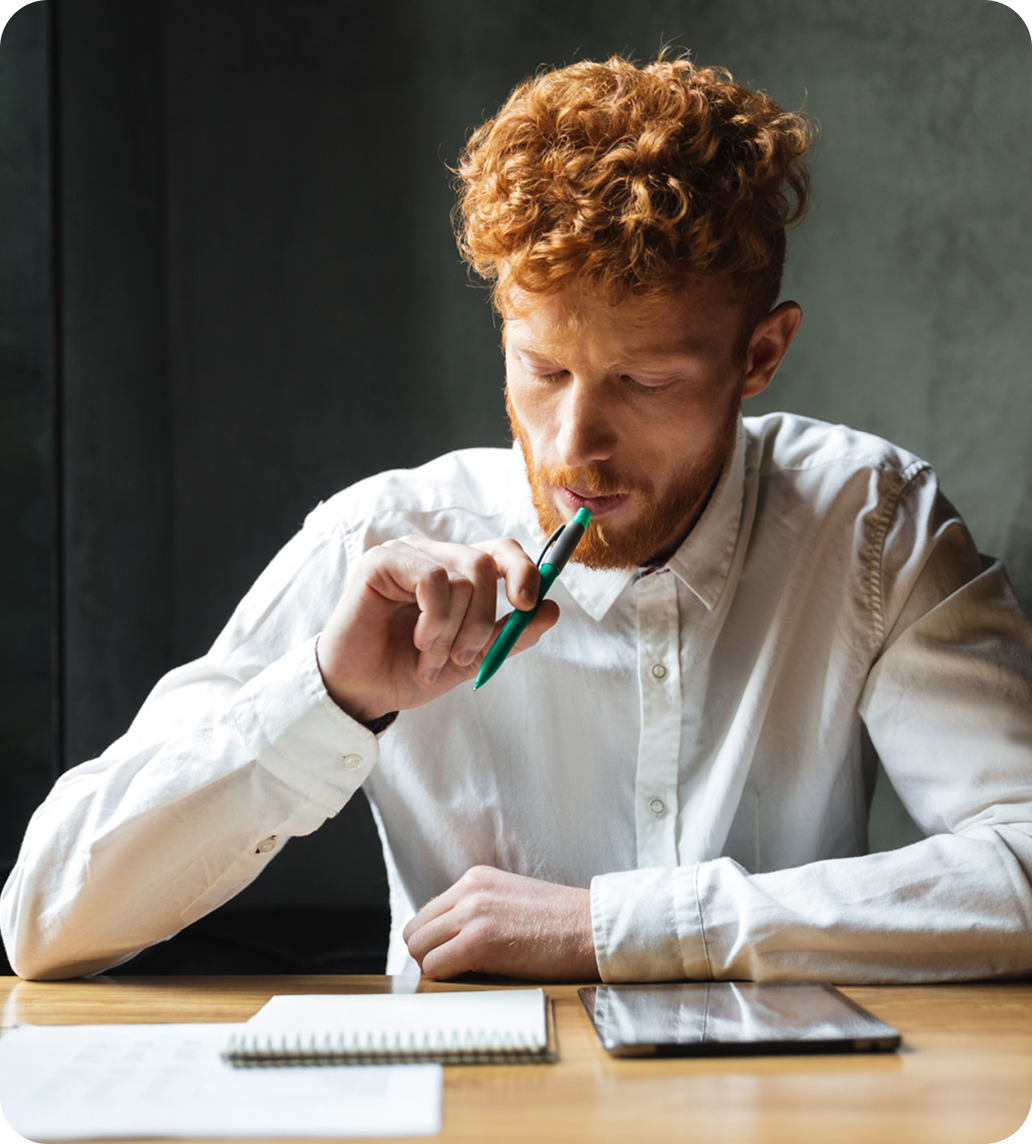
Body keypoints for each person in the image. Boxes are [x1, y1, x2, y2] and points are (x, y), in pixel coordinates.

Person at [3, 54, 1031, 984]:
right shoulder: (379, 541)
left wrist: (616, 927)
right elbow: (46, 920)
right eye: (542, 369)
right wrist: (331, 694)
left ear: (760, 355)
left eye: (641, 378)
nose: (572, 444)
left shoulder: (871, 525)